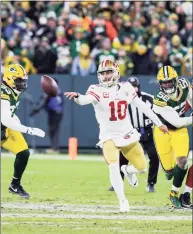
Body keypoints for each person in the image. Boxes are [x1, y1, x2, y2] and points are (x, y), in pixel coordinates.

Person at [64, 59, 168, 212]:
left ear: (117, 72)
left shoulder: (126, 88)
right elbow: (85, 100)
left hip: (127, 133)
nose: (105, 76)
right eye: (103, 73)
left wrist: (159, 123)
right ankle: (123, 201)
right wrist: (78, 97)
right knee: (113, 166)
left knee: (142, 168)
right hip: (108, 136)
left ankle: (128, 170)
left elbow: (143, 107)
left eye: (109, 72)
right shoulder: (96, 89)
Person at [1, 64, 45, 199]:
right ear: (9, 79)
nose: (22, 83)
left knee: (24, 153)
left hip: (4, 129)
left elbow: (9, 115)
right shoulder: (4, 93)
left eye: (23, 80)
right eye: (19, 80)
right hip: (4, 125)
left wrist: (16, 118)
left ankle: (15, 185)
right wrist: (29, 130)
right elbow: (6, 120)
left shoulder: (13, 90)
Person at [108, 77, 159, 192]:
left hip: (147, 131)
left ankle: (151, 183)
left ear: (139, 87)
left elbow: (157, 110)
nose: (134, 89)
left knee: (154, 157)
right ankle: (118, 182)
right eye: (131, 87)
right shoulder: (121, 99)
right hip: (130, 131)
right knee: (122, 158)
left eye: (135, 87)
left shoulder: (148, 98)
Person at [153, 65, 192, 208]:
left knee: (182, 161)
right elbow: (175, 120)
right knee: (169, 171)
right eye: (164, 83)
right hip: (162, 131)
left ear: (175, 80)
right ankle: (171, 172)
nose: (167, 85)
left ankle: (174, 193)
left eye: (170, 81)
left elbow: (190, 97)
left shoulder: (184, 84)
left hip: (180, 129)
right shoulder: (159, 99)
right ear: (160, 84)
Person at [30, 79, 64, 152]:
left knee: (53, 130)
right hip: (59, 112)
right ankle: (55, 148)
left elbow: (44, 101)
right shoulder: (59, 90)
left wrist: (36, 110)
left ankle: (54, 148)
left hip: (54, 112)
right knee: (55, 130)